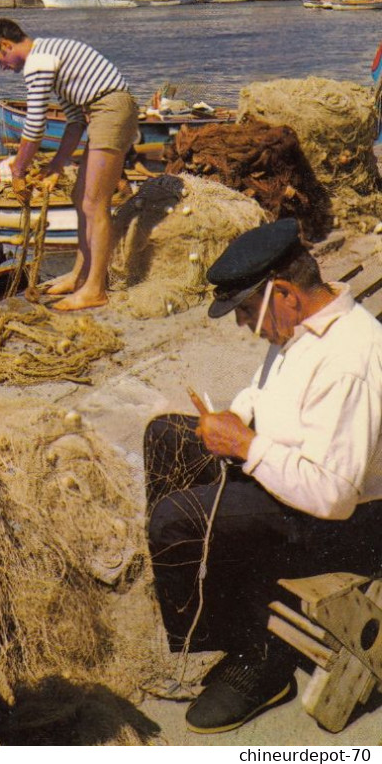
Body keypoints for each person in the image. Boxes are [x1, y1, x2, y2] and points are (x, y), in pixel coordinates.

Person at [144, 218, 382, 734]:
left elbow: (334, 496)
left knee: (176, 518)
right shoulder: (301, 326)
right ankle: (204, 611)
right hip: (288, 477)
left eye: (247, 311)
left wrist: (247, 447)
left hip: (344, 527)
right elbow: (264, 392)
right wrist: (240, 419)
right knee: (166, 436)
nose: (242, 325)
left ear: (287, 295)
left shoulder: (350, 358)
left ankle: (258, 656)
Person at [0, 18, 139, 311]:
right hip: (103, 110)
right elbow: (76, 122)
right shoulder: (51, 58)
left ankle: (95, 289)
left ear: (6, 45)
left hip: (111, 109)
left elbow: (35, 124)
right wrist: (55, 166)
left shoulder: (38, 62)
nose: (2, 67)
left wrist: (18, 171)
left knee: (95, 204)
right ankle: (80, 275)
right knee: (80, 198)